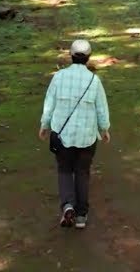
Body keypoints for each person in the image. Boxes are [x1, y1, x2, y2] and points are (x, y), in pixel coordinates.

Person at [38, 38, 110, 229]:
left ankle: (67, 205)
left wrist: (44, 126)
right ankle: (81, 217)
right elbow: (101, 109)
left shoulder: (59, 77)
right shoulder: (94, 81)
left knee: (64, 170)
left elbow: (49, 104)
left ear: (70, 56)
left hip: (62, 135)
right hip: (87, 137)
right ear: (89, 58)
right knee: (82, 172)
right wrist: (104, 129)